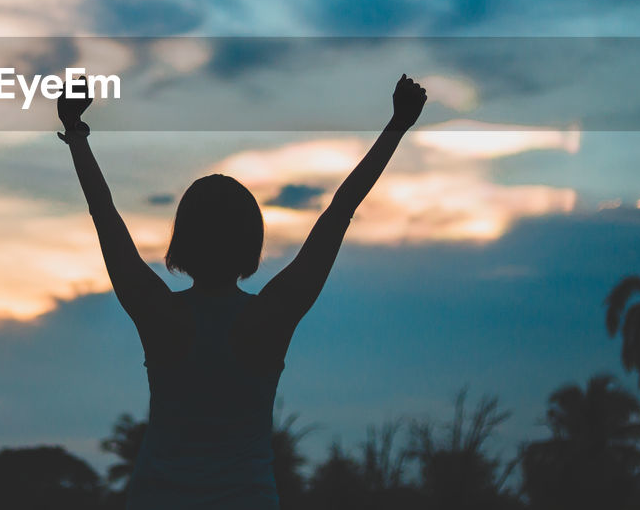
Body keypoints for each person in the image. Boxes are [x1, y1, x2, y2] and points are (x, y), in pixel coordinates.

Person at [58, 74, 427, 508]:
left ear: (183, 240)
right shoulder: (270, 316)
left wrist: (76, 132)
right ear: (252, 241)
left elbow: (104, 215)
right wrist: (397, 125)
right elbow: (340, 210)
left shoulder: (160, 314)